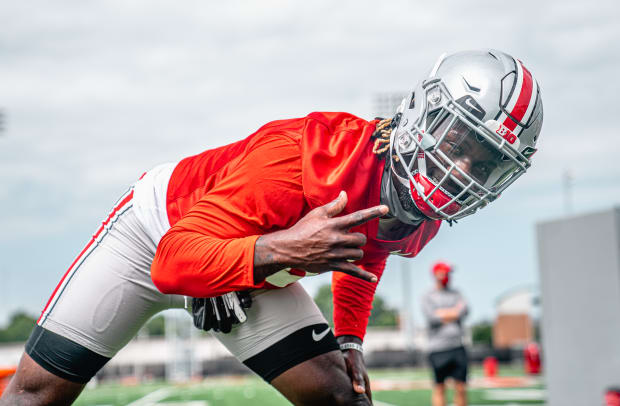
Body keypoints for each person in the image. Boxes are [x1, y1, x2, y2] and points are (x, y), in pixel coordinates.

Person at [0, 49, 543, 406]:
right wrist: (275, 251)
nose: (462, 171)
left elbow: (365, 252)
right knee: (35, 396)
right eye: (458, 143)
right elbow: (172, 260)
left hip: (255, 261)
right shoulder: (302, 156)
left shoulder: (419, 206)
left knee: (342, 397)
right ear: (426, 115)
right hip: (157, 234)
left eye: (486, 161)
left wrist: (349, 337)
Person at [422, 261, 469, 406]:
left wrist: (443, 314)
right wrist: (453, 313)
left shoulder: (457, 293)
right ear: (436, 274)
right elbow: (432, 317)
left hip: (457, 346)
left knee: (461, 387)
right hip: (437, 348)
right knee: (439, 387)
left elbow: (463, 310)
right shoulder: (428, 295)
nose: (448, 276)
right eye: (445, 272)